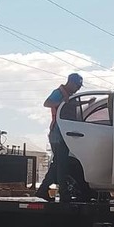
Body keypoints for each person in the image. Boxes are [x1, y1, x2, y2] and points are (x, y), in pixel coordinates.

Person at [36, 72, 83, 202]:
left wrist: (85, 102)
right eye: (77, 86)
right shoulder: (59, 92)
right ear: (71, 83)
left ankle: (43, 190)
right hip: (58, 133)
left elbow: (70, 105)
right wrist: (61, 102)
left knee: (58, 163)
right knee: (61, 164)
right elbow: (47, 103)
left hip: (65, 134)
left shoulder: (70, 96)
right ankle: (63, 193)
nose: (78, 89)